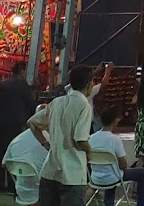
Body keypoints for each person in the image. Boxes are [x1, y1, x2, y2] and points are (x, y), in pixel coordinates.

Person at [31, 64, 97, 206]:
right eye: (92, 81)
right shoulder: (84, 105)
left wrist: (45, 143)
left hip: (50, 170)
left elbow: (32, 123)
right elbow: (80, 139)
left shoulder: (57, 102)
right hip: (72, 173)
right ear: (88, 84)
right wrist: (90, 152)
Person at [89, 107, 144, 206]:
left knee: (111, 171)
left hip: (96, 177)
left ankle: (108, 203)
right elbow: (123, 165)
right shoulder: (115, 139)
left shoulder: (91, 138)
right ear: (115, 121)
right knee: (143, 173)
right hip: (113, 177)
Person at [0, 61, 38, 192]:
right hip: (16, 124)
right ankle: (12, 185)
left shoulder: (4, 84)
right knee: (14, 154)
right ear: (22, 71)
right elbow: (30, 104)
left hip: (1, 122)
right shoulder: (22, 85)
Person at [4, 104, 51, 206]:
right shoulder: (52, 140)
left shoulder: (16, 140)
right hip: (43, 192)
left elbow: (4, 164)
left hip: (21, 191)